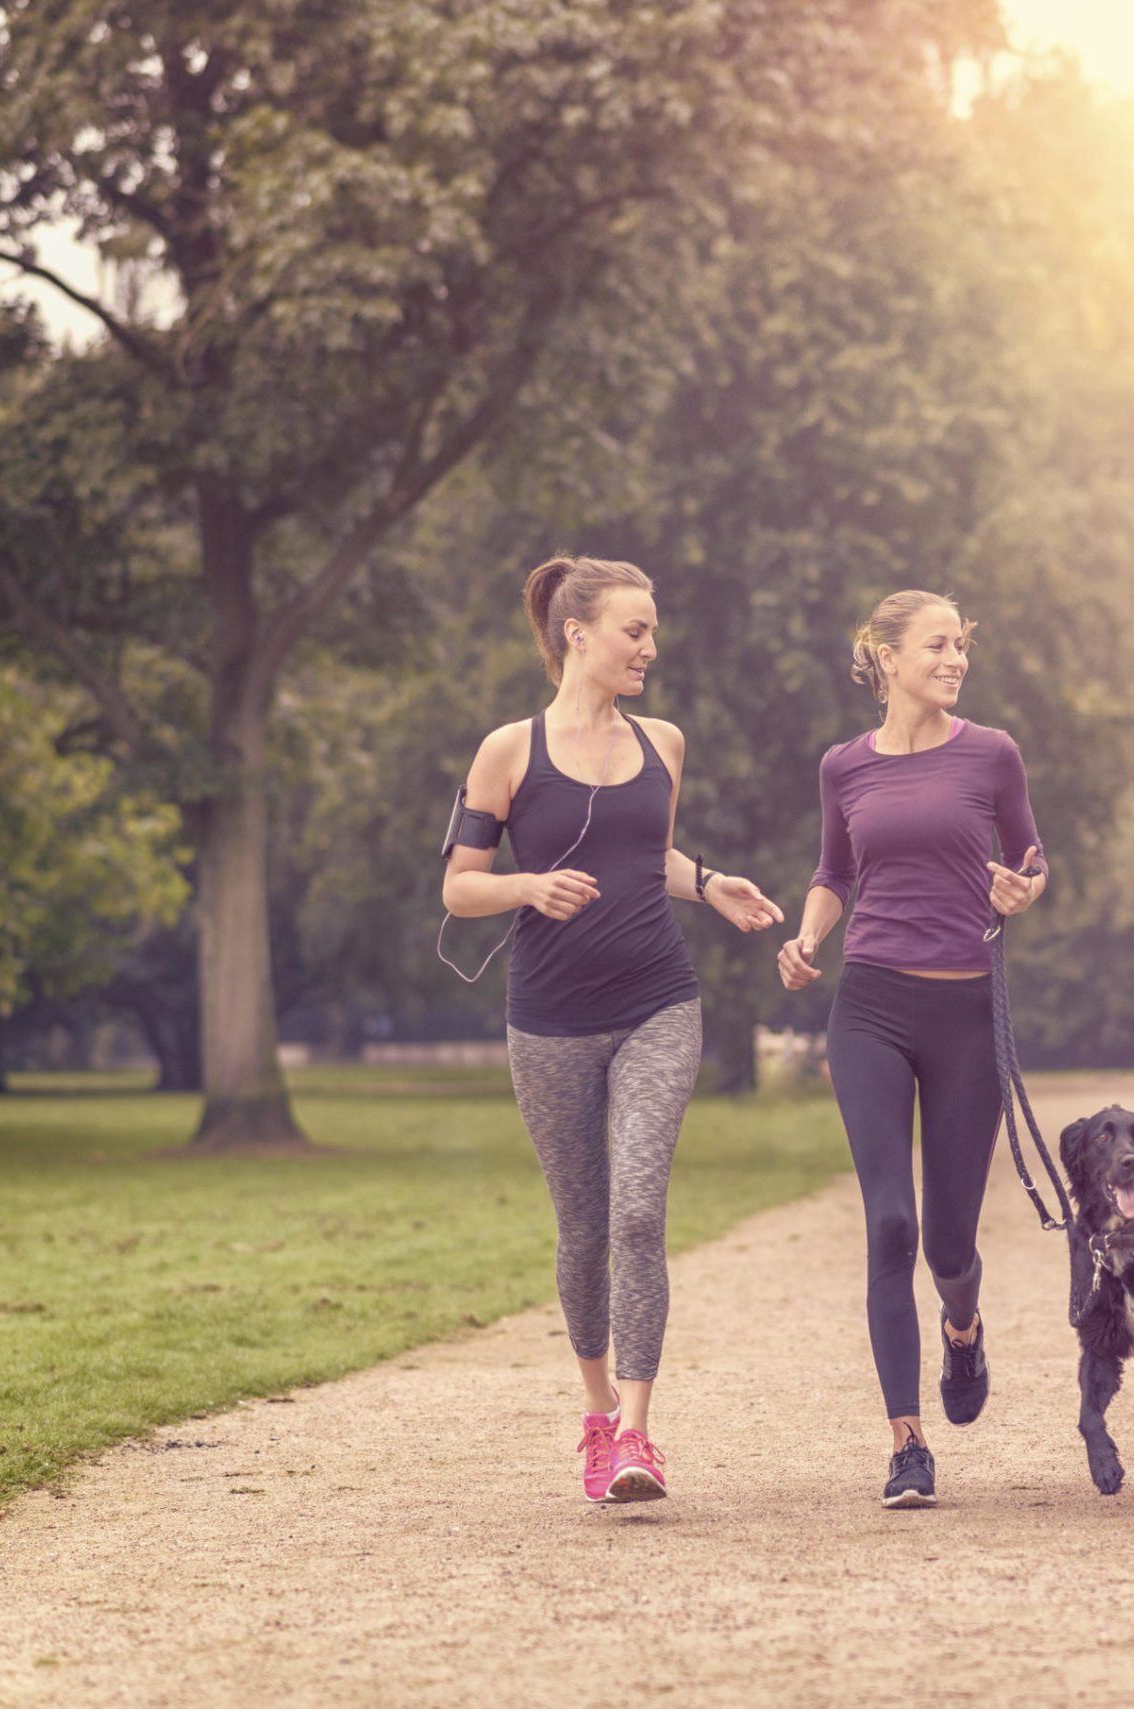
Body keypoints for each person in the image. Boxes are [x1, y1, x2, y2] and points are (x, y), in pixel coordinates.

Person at [441, 555, 783, 1505]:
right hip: (548, 1021)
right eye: (635, 629)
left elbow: (649, 853)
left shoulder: (663, 742)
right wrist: (527, 885)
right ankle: (596, 1415)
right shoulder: (508, 751)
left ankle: (638, 1432)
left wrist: (710, 884)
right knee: (583, 1226)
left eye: (653, 630)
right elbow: (459, 886)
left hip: (656, 1003)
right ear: (576, 633)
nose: (650, 647)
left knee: (637, 1212)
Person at [778, 590, 1045, 1509]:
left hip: (968, 1012)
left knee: (950, 1241)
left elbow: (1033, 856)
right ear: (885, 657)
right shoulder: (844, 767)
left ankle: (962, 1327)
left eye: (962, 646)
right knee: (890, 1220)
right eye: (937, 645)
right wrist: (810, 938)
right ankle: (906, 1441)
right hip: (873, 1008)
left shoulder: (992, 753)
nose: (955, 659)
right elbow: (834, 872)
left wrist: (1022, 891)